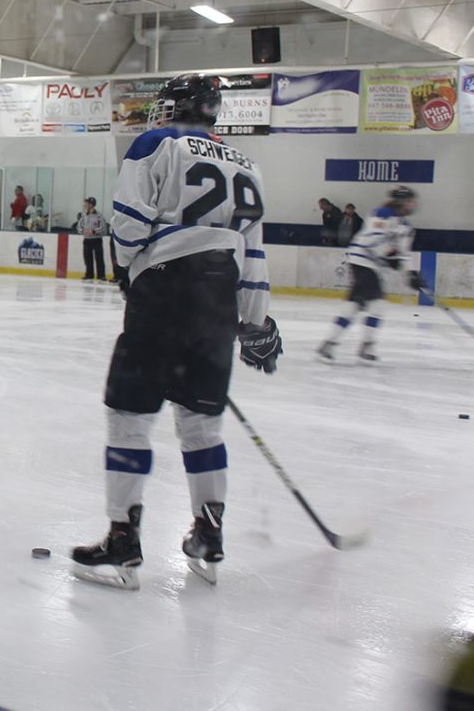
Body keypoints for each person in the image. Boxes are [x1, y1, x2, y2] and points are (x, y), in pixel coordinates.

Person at [71, 74, 282, 589]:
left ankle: (123, 543)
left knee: (129, 418)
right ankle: (209, 537)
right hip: (217, 305)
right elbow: (252, 256)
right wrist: (255, 323)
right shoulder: (247, 165)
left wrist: (131, 271)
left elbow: (127, 225)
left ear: (176, 108)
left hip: (163, 293)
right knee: (202, 426)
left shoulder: (154, 142)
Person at [318, 186, 424, 363]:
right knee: (377, 304)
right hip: (362, 261)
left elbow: (404, 254)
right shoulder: (382, 214)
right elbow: (370, 240)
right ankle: (365, 346)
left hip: (373, 266)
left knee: (356, 304)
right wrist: (389, 256)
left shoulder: (406, 228)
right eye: (409, 200)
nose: (412, 204)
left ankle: (330, 343)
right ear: (400, 201)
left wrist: (411, 274)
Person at [76, 197, 108, 281]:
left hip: (97, 240)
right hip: (87, 240)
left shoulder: (99, 215)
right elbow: (79, 226)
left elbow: (103, 228)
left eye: (87, 203)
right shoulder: (83, 215)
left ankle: (101, 276)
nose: (85, 205)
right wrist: (82, 231)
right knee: (87, 258)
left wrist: (93, 231)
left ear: (91, 205)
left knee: (99, 258)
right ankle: (89, 275)